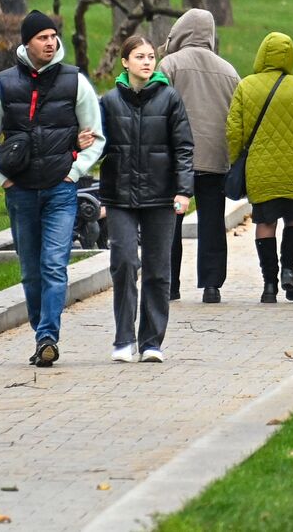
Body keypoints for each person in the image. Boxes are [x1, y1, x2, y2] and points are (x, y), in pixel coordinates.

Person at [0, 11, 104, 368]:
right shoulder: (2, 85)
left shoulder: (74, 82)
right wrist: (3, 178)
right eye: (42, 37)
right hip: (20, 192)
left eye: (53, 36)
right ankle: (40, 334)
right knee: (30, 270)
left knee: (53, 265)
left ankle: (48, 335)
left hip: (60, 191)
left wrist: (75, 171)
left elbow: (97, 135)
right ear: (27, 43)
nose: (50, 43)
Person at [99, 36, 194, 363]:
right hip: (120, 196)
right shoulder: (110, 101)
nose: (147, 62)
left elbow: (184, 147)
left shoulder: (169, 99)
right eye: (139, 56)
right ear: (125, 62)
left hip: (160, 196)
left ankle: (151, 341)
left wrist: (183, 190)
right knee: (124, 262)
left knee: (157, 269)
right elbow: (97, 146)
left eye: (151, 56)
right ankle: (124, 339)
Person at [227, 32, 293, 303]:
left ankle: (269, 284)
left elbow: (234, 130)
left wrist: (235, 160)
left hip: (261, 168)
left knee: (265, 222)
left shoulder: (246, 86)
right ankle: (289, 269)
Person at [158, 8, 241, 303]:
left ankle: (170, 284)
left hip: (176, 160)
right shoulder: (228, 70)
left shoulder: (169, 65)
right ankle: (211, 285)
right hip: (216, 159)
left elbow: (157, 111)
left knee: (171, 222)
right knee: (212, 221)